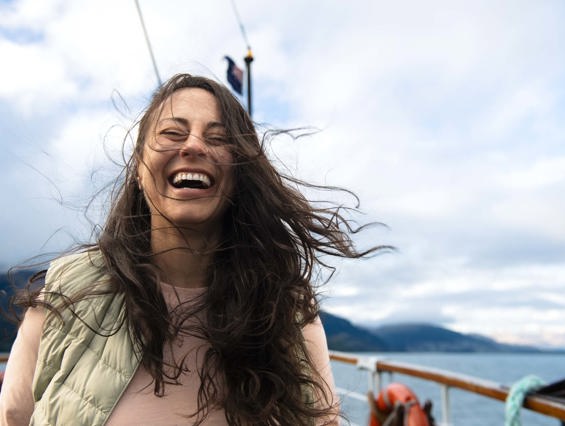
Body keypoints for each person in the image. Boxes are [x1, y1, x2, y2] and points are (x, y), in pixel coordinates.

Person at [0, 74, 382, 425]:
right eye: (172, 132)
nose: (194, 145)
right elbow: (14, 414)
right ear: (137, 166)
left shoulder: (285, 307)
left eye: (217, 138)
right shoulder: (70, 287)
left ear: (239, 174)